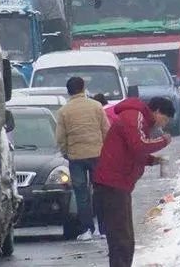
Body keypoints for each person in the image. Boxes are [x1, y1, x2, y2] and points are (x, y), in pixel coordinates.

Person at [93, 97, 174, 267]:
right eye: (164, 119)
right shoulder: (134, 116)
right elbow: (138, 145)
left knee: (125, 238)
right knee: (121, 238)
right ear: (157, 111)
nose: (162, 125)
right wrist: (163, 141)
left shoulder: (140, 120)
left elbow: (132, 151)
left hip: (120, 185)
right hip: (112, 183)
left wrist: (152, 160)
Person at [56, 77, 110, 241]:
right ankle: (103, 229)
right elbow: (106, 129)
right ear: (83, 88)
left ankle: (86, 229)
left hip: (76, 157)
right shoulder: (96, 106)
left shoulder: (64, 111)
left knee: (81, 194)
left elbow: (60, 137)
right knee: (99, 192)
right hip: (97, 154)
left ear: (68, 91)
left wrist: (66, 152)